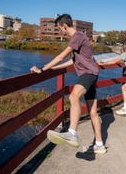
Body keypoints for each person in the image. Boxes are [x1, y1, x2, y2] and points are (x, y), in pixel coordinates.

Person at [30, 14, 106, 154]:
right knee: (93, 112)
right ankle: (100, 145)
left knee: (73, 97)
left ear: (64, 26)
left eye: (60, 28)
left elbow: (60, 56)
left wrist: (42, 69)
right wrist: (53, 68)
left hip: (88, 74)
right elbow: (72, 61)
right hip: (93, 75)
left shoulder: (77, 37)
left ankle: (72, 133)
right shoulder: (80, 38)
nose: (60, 31)